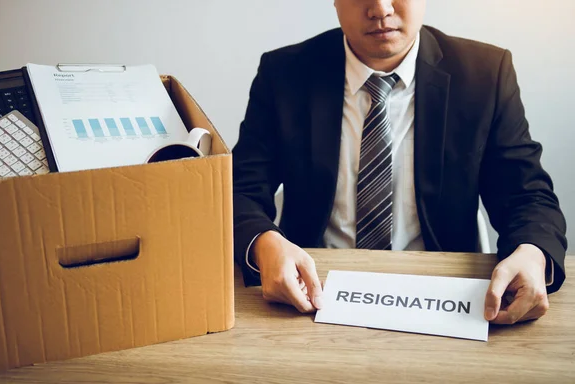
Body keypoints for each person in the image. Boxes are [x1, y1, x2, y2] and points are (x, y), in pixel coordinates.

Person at [232, 0, 568, 324]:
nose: (380, 8)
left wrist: (533, 253)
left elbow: (526, 195)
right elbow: (239, 191)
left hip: (442, 298)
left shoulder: (484, 74)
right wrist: (263, 242)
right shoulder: (284, 74)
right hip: (313, 291)